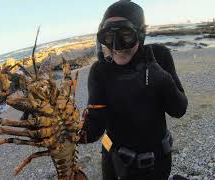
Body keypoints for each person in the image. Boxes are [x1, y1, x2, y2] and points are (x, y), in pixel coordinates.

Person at [79, 0, 188, 179]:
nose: (117, 47)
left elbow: (179, 110)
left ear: (141, 33)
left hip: (156, 162)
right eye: (108, 38)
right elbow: (94, 128)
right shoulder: (100, 70)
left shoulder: (159, 56)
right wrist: (61, 130)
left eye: (126, 35)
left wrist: (163, 79)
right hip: (113, 161)